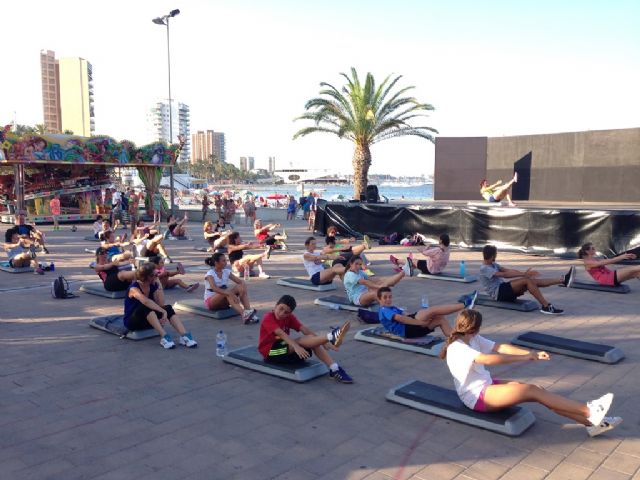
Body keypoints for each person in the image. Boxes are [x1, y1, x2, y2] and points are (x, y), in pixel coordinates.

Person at [439, 309, 621, 437]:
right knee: (532, 391)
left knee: (540, 391)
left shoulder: (472, 337)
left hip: (487, 386)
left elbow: (500, 347)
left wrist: (531, 354)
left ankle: (592, 424)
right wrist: (524, 357)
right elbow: (488, 359)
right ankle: (591, 411)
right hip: (476, 397)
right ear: (474, 328)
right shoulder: (457, 348)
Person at [258, 295, 353, 383]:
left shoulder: (289, 317)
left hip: (285, 349)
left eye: (286, 312)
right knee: (300, 341)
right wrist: (296, 346)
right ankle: (331, 336)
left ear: (290, 313)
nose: (282, 313)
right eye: (281, 309)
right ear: (275, 306)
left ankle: (334, 369)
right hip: (270, 352)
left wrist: (323, 342)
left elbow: (304, 329)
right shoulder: (268, 317)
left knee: (312, 341)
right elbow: (280, 333)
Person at [479, 245, 574, 315]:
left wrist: (524, 273)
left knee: (531, 281)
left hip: (504, 290)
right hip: (498, 293)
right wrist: (524, 274)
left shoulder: (493, 264)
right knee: (527, 280)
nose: (496, 256)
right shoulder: (484, 268)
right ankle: (546, 306)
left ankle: (563, 280)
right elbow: (504, 275)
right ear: (492, 256)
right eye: (495, 255)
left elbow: (507, 270)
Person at [123, 263, 198, 349]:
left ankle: (185, 336)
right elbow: (146, 301)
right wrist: (163, 312)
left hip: (148, 320)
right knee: (145, 307)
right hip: (133, 322)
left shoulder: (153, 285)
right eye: (155, 275)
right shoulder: (134, 288)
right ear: (147, 277)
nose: (157, 276)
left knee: (168, 308)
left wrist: (159, 285)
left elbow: (160, 304)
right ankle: (164, 336)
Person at [377, 286, 478, 338]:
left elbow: (404, 315)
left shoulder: (390, 308)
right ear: (379, 299)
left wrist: (420, 315)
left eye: (389, 297)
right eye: (385, 297)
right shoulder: (384, 310)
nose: (388, 299)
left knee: (440, 319)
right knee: (432, 310)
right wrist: (421, 322)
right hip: (407, 329)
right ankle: (465, 305)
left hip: (410, 329)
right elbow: (401, 319)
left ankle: (459, 337)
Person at [203, 252, 258, 324]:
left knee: (240, 286)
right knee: (228, 293)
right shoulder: (210, 274)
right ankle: (244, 314)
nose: (226, 262)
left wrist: (242, 292)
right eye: (223, 261)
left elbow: (240, 282)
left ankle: (248, 311)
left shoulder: (226, 272)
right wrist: (231, 293)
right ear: (216, 263)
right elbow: (214, 288)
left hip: (224, 301)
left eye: (226, 260)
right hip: (212, 302)